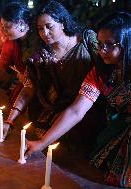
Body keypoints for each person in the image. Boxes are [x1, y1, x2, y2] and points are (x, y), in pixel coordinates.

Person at [25, 12, 131, 188]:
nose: (101, 51)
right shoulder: (99, 72)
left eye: (109, 45)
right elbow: (76, 110)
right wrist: (42, 142)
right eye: (100, 44)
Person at [2, 0, 100, 140]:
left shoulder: (86, 40)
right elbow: (28, 88)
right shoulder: (40, 56)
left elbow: (106, 70)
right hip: (56, 110)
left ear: (63, 23)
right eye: (40, 29)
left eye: (49, 26)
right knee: (42, 134)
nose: (44, 33)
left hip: (88, 106)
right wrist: (9, 121)